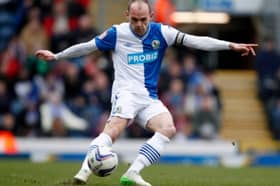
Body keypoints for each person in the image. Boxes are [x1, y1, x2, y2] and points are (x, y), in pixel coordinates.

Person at [35, 0, 257, 185]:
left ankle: (132, 172)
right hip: (126, 93)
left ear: (151, 15)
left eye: (143, 19)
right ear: (127, 15)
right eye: (134, 19)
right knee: (114, 130)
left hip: (149, 97)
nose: (139, 24)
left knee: (168, 128)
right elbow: (87, 46)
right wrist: (56, 56)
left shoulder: (162, 32)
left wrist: (230, 45)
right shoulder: (117, 33)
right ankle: (83, 173)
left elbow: (195, 41)